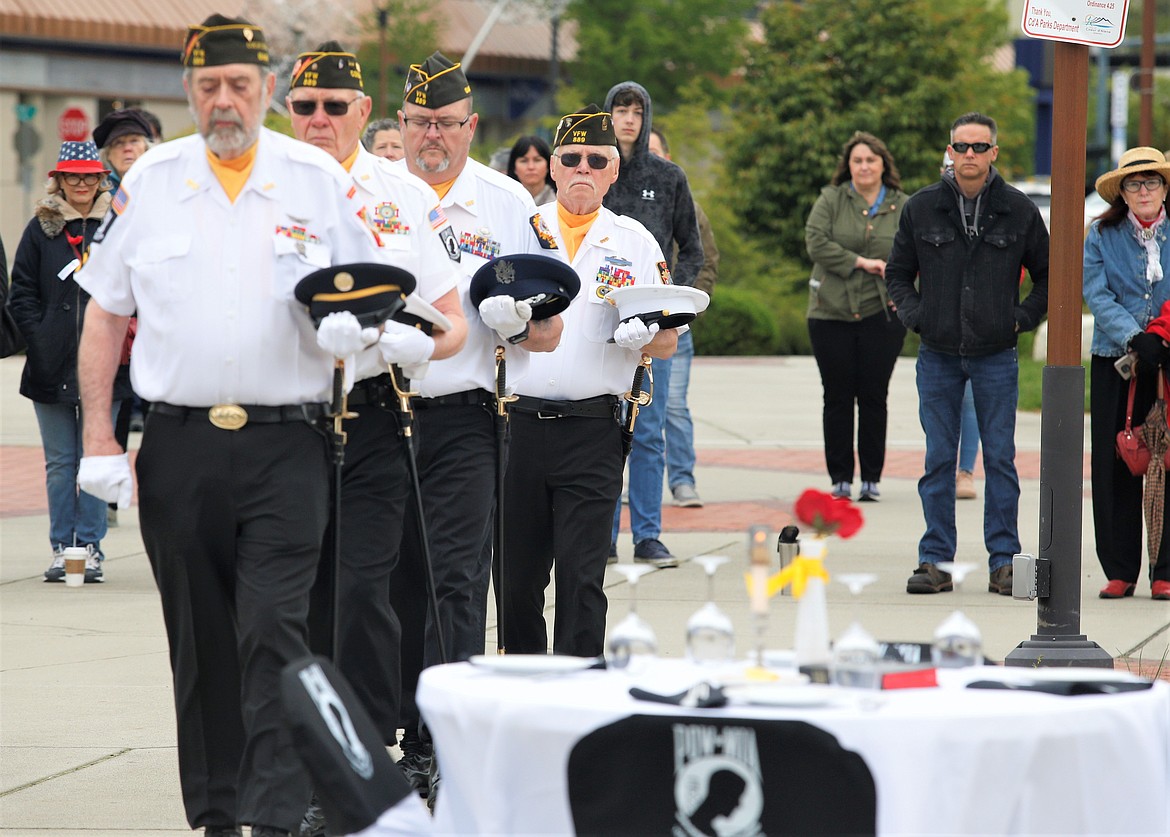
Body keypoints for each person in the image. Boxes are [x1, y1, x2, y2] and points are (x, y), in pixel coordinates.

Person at [73, 15, 396, 836]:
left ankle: (278, 812)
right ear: (188, 92)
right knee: (200, 636)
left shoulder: (314, 179)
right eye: (209, 86)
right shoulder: (151, 182)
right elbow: (106, 314)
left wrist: (352, 340)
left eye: (241, 86)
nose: (225, 101)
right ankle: (219, 814)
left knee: (273, 628)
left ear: (266, 94)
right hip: (178, 445)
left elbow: (370, 299)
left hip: (288, 441)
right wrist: (101, 439)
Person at [284, 39, 465, 817]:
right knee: (296, 600)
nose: (320, 119)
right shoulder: (265, 187)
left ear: (364, 111)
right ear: (287, 110)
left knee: (362, 593)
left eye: (335, 106)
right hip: (283, 422)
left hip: (375, 413)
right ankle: (294, 767)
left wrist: (416, 343)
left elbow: (452, 321)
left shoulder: (402, 195)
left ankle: (358, 769)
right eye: (305, 106)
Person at [391, 50, 557, 797]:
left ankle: (437, 742)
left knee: (454, 582)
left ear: (471, 125)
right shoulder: (369, 195)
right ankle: (379, 731)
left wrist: (517, 321)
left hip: (465, 412)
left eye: (447, 124)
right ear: (399, 123)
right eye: (421, 122)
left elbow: (550, 335)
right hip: (374, 412)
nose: (434, 136)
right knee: (379, 581)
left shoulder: (505, 205)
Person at [501, 104, 679, 656]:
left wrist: (640, 336)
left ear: (614, 171)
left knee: (583, 581)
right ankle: (525, 694)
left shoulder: (636, 242)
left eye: (596, 160)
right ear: (551, 167)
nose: (582, 169)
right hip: (516, 425)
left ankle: (577, 697)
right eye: (571, 158)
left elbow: (669, 340)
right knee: (516, 581)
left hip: (594, 429)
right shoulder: (517, 231)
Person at [886, 111, 1049, 596]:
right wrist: (918, 317)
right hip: (936, 352)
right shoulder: (922, 208)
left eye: (980, 147)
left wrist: (1019, 320)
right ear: (950, 152)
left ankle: (1004, 562)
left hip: (996, 352)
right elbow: (897, 274)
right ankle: (935, 560)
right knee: (939, 459)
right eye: (962, 147)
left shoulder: (1018, 210)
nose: (970, 155)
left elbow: (1046, 278)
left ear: (994, 152)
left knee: (1000, 458)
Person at [9, 140, 130, 584]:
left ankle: (91, 547)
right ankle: (63, 546)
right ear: (57, 180)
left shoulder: (118, 226)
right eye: (71, 176)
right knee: (61, 462)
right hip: (51, 360)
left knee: (96, 458)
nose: (81, 184)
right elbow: (20, 290)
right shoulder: (41, 230)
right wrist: (39, 337)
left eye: (89, 176)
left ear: (102, 179)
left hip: (107, 362)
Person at [602, 81, 703, 567]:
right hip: (598, 322)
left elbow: (693, 249)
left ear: (646, 118)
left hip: (653, 326)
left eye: (636, 111)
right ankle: (600, 536)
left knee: (647, 431)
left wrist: (672, 306)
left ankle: (647, 535)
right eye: (619, 110)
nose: (627, 120)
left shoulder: (668, 177)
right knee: (600, 430)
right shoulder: (593, 168)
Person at [1082, 146, 1170, 601]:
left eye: (1151, 182)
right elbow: (1095, 293)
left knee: (1168, 464)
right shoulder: (1100, 233)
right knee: (1115, 461)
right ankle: (1120, 569)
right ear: (1122, 191)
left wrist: (1160, 336)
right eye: (1134, 184)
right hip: (1115, 358)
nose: (1143, 191)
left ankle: (1165, 570)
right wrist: (1136, 338)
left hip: (1169, 353)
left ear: (1164, 188)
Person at [804, 131, 908, 503]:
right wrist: (861, 262)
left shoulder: (902, 205)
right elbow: (815, 242)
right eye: (857, 161)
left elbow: (915, 251)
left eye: (870, 160)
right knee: (837, 395)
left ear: (883, 165)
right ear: (848, 167)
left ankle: (872, 479)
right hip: (830, 312)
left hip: (883, 314)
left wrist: (904, 287)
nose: (863, 167)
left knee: (874, 396)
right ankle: (840, 478)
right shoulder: (831, 199)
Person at [93, 107, 159, 520]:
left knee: (158, 425)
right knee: (114, 416)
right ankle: (109, 501)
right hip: (117, 331)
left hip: (155, 330)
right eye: (119, 145)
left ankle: (158, 495)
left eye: (133, 142)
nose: (128, 150)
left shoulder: (165, 188)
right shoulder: (101, 198)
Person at [647, 127, 718, 508]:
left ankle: (682, 479)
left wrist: (684, 302)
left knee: (673, 405)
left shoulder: (685, 203)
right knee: (628, 407)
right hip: (631, 326)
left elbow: (705, 259)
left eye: (658, 153)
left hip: (675, 324)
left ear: (669, 159)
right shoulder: (622, 196)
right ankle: (630, 484)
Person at [507, 135, 556, 205]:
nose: (531, 167)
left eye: (537, 160)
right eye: (524, 161)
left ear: (549, 165)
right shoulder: (504, 203)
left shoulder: (562, 204)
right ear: (514, 167)